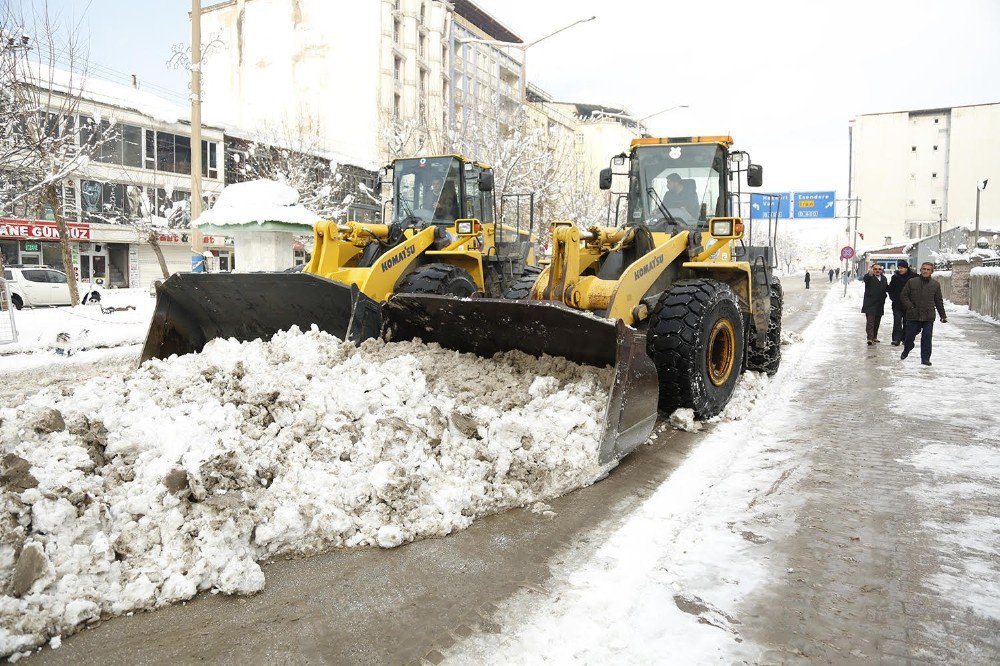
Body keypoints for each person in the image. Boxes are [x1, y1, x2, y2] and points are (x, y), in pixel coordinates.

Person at [900, 262, 947, 366]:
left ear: (931, 271)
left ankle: (925, 358)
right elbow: (904, 296)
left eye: (928, 269)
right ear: (920, 270)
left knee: (927, 338)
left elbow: (938, 301)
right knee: (909, 337)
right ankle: (907, 348)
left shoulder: (935, 284)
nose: (925, 271)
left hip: (928, 316)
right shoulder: (912, 282)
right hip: (913, 315)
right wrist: (910, 306)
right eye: (924, 269)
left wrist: (943, 316)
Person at [887, 260, 918, 346]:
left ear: (906, 268)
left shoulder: (914, 277)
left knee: (907, 322)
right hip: (897, 304)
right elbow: (890, 289)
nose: (900, 269)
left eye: (902, 268)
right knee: (897, 321)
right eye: (899, 268)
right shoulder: (895, 277)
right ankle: (896, 339)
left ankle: (905, 339)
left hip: (909, 304)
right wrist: (893, 298)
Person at [861, 263, 889, 345]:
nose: (877, 271)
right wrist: (869, 274)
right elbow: (865, 279)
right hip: (870, 304)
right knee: (870, 322)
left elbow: (886, 288)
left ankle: (874, 337)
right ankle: (869, 338)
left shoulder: (884, 278)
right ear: (872, 270)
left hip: (880, 304)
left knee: (877, 322)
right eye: (875, 269)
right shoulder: (869, 277)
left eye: (879, 269)